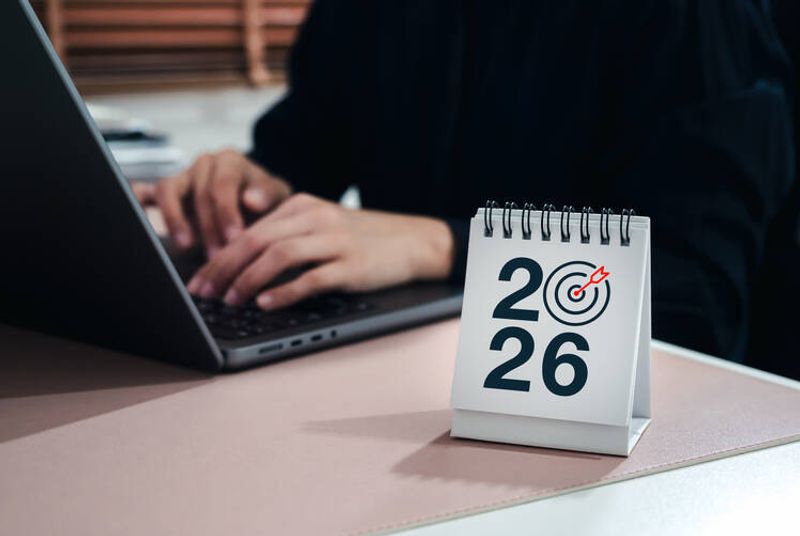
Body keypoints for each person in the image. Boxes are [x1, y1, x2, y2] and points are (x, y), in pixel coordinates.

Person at [135, 0, 795, 364]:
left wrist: (442, 245)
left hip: (626, 432)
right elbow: (304, 156)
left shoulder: (694, 19)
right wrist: (248, 191)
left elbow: (693, 295)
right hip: (402, 376)